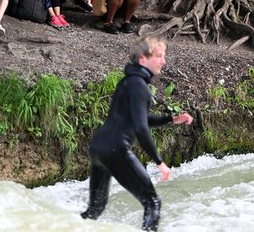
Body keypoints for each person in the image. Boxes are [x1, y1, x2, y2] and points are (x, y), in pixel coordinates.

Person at [81, 37, 194, 231]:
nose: (164, 61)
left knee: (94, 210)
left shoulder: (128, 82)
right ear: (142, 60)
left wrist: (171, 119)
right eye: (159, 56)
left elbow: (138, 118)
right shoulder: (139, 86)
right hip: (116, 150)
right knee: (153, 203)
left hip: (99, 148)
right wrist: (160, 162)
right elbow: (141, 128)